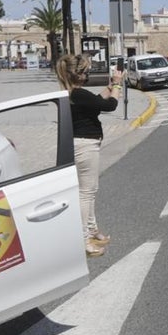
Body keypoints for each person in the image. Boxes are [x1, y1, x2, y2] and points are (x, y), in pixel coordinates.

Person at [56, 54, 118, 258]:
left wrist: (109, 88)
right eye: (86, 71)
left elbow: (97, 103)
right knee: (86, 193)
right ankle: (85, 241)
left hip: (84, 144)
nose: (88, 74)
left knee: (90, 190)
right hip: (85, 145)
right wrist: (117, 86)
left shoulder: (72, 93)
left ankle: (92, 231)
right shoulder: (78, 93)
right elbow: (110, 106)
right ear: (79, 75)